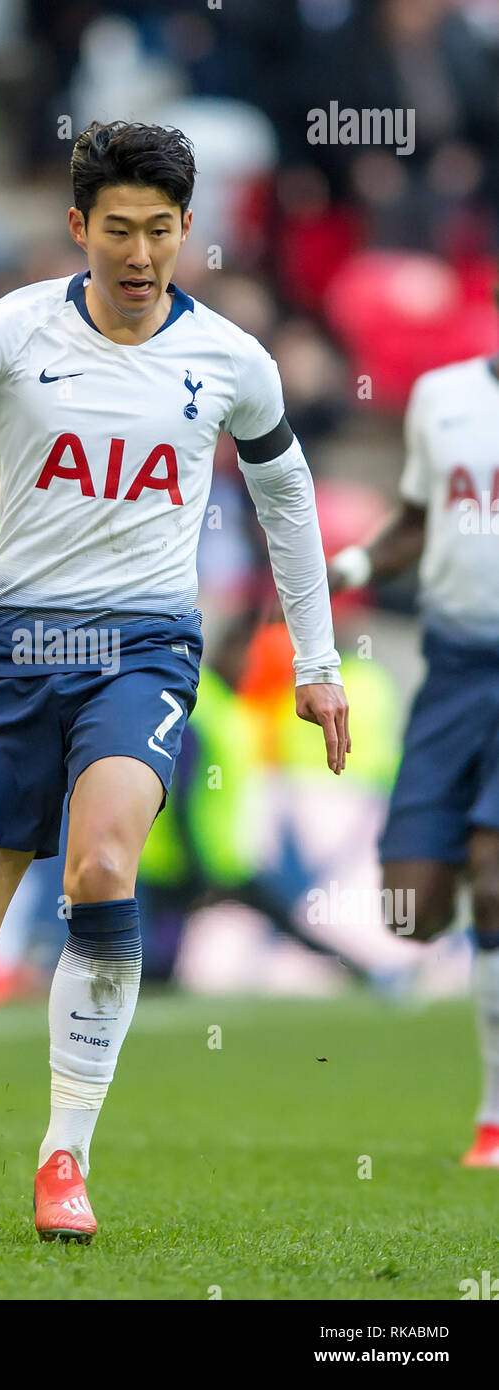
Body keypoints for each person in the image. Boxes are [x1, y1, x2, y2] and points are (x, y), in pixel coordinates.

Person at [0, 120, 349, 1242]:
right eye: (119, 229)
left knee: (102, 865)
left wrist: (316, 663)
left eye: (161, 230)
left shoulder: (231, 362)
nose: (141, 252)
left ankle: (65, 1156)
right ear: (77, 228)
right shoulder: (17, 327)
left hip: (143, 648)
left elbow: (287, 500)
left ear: (186, 230)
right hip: (14, 649)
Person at [328, 337, 499, 1168]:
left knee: (494, 878)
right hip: (455, 671)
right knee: (411, 910)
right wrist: (351, 564)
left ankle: (494, 1118)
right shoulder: (443, 395)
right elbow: (421, 523)